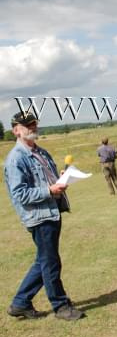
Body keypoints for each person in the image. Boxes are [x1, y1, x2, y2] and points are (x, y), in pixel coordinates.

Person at [3, 112, 85, 321]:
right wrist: (49, 190)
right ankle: (60, 306)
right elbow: (20, 194)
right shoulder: (16, 159)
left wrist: (62, 179)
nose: (32, 127)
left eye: (34, 123)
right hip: (39, 216)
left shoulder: (41, 152)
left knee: (44, 261)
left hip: (52, 211)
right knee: (50, 263)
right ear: (16, 130)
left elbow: (48, 179)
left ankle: (20, 303)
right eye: (27, 125)